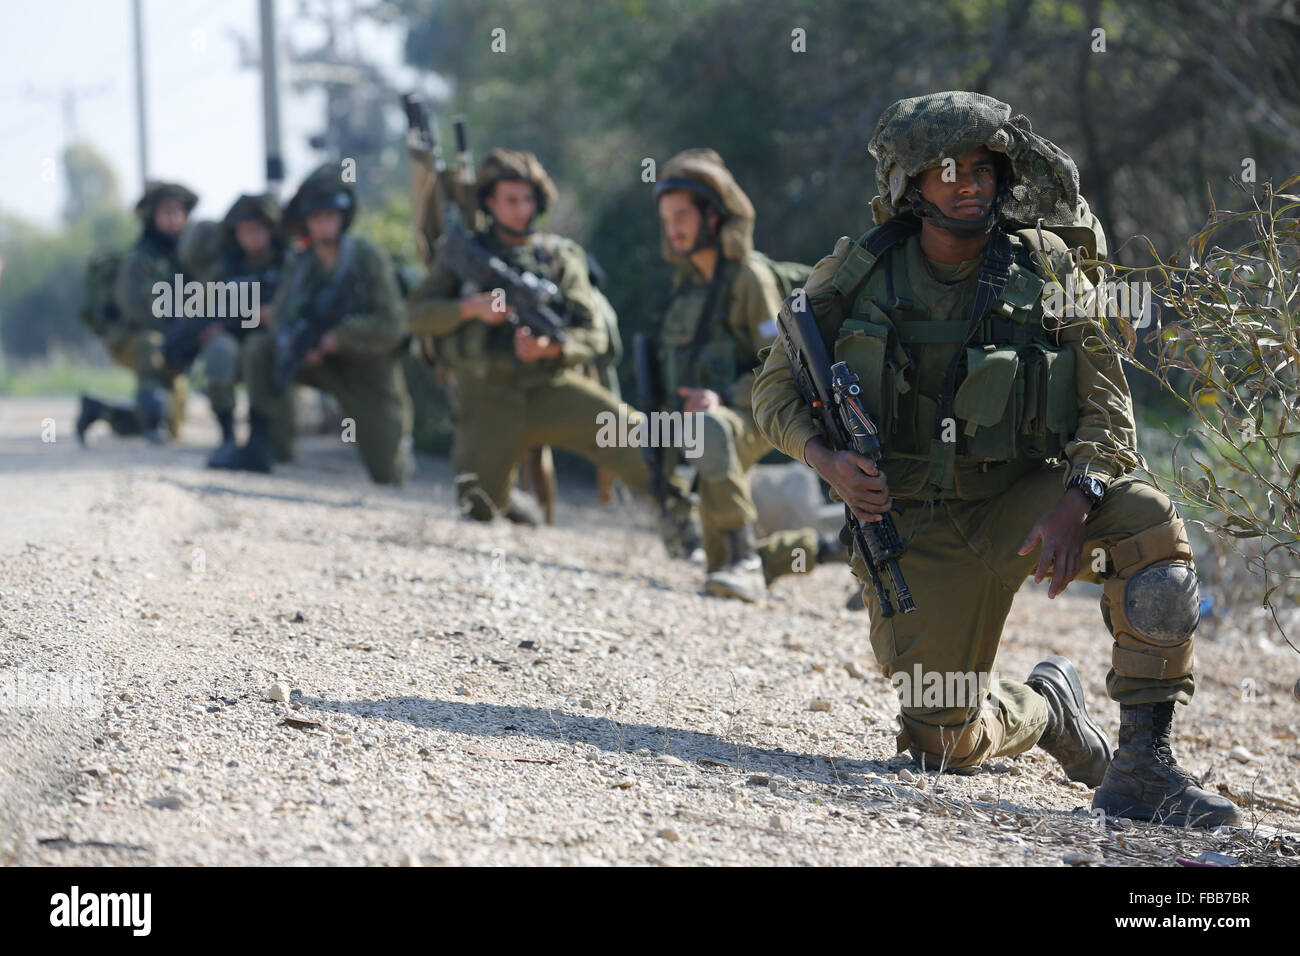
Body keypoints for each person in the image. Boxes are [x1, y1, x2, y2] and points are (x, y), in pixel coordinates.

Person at [750, 91, 1239, 828]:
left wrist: (1079, 497)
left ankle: (1144, 767)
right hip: (913, 519)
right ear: (911, 185)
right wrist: (825, 460)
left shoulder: (1048, 268)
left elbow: (1108, 407)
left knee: (1149, 525)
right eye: (950, 170)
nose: (971, 182)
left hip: (1028, 500)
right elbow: (774, 387)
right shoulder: (856, 274)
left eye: (984, 167)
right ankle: (1047, 708)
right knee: (943, 741)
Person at [405, 148, 664, 527]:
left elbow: (594, 333)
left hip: (552, 386)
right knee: (478, 506)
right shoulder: (461, 254)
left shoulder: (560, 256)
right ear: (489, 202)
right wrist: (470, 308)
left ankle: (687, 519)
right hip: (487, 394)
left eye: (528, 199)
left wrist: (553, 347)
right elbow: (415, 315)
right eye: (510, 200)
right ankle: (511, 501)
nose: (521, 209)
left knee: (642, 444)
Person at [651, 149, 841, 602]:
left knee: (705, 429)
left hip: (763, 410)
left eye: (682, 215)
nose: (673, 228)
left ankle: (746, 561)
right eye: (666, 218)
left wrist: (720, 397)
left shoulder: (749, 278)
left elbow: (784, 364)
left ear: (713, 218)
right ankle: (831, 549)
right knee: (715, 568)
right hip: (711, 427)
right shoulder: (687, 285)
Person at [208, 164, 413, 484]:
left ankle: (401, 449)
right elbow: (283, 316)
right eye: (317, 218)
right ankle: (267, 444)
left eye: (331, 216)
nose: (324, 225)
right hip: (317, 363)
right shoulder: (300, 264)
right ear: (307, 222)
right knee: (261, 349)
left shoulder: (367, 258)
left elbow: (392, 325)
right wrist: (295, 344)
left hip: (366, 370)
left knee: (389, 474)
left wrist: (338, 338)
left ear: (343, 218)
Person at [78, 181, 197, 444]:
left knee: (174, 425)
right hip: (131, 338)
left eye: (179, 211)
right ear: (151, 216)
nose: (174, 218)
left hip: (175, 339)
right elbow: (137, 309)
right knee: (151, 347)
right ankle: (152, 425)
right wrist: (177, 330)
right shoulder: (140, 259)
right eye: (167, 211)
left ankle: (100, 410)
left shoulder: (188, 256)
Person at [176, 193, 286, 455]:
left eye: (258, 230)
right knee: (219, 349)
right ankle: (227, 435)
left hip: (278, 353)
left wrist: (274, 315)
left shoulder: (289, 263)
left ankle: (264, 432)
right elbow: (203, 308)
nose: (252, 238)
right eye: (245, 231)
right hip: (238, 346)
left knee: (282, 451)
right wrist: (214, 327)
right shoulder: (227, 268)